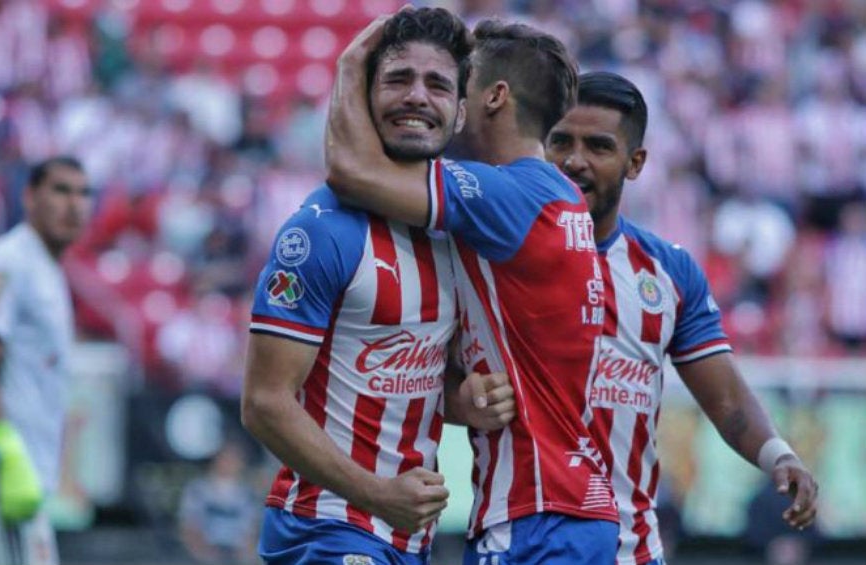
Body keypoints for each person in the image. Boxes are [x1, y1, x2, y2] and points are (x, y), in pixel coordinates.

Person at [326, 15, 619, 565]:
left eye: (459, 83)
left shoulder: (507, 194)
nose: (449, 99)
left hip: (536, 513)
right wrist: (461, 396)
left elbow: (349, 171)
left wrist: (349, 67)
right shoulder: (555, 196)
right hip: (569, 505)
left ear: (494, 97)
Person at [242, 8, 516, 565]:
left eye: (437, 84)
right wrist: (373, 493)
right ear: (363, 97)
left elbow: (391, 369)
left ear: (461, 112)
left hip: (406, 538)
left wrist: (461, 400)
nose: (417, 96)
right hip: (328, 529)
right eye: (397, 79)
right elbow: (264, 403)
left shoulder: (455, 228)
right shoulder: (322, 231)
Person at [544, 71, 819, 565]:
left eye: (599, 147)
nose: (574, 161)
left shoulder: (668, 272)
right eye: (560, 141)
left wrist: (780, 455)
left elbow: (727, 401)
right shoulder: (500, 254)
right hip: (524, 544)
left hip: (631, 549)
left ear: (635, 163)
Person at [0, 156, 93, 565]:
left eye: (83, 193)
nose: (74, 204)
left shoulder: (48, 271)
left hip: (22, 481)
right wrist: (6, 450)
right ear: (29, 197)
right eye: (60, 190)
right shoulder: (8, 262)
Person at [177, 444, 259, 565]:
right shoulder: (197, 490)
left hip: (237, 556)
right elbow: (189, 525)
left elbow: (251, 529)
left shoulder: (248, 494)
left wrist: (245, 554)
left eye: (233, 460)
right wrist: (202, 551)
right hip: (204, 556)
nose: (228, 464)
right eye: (225, 459)